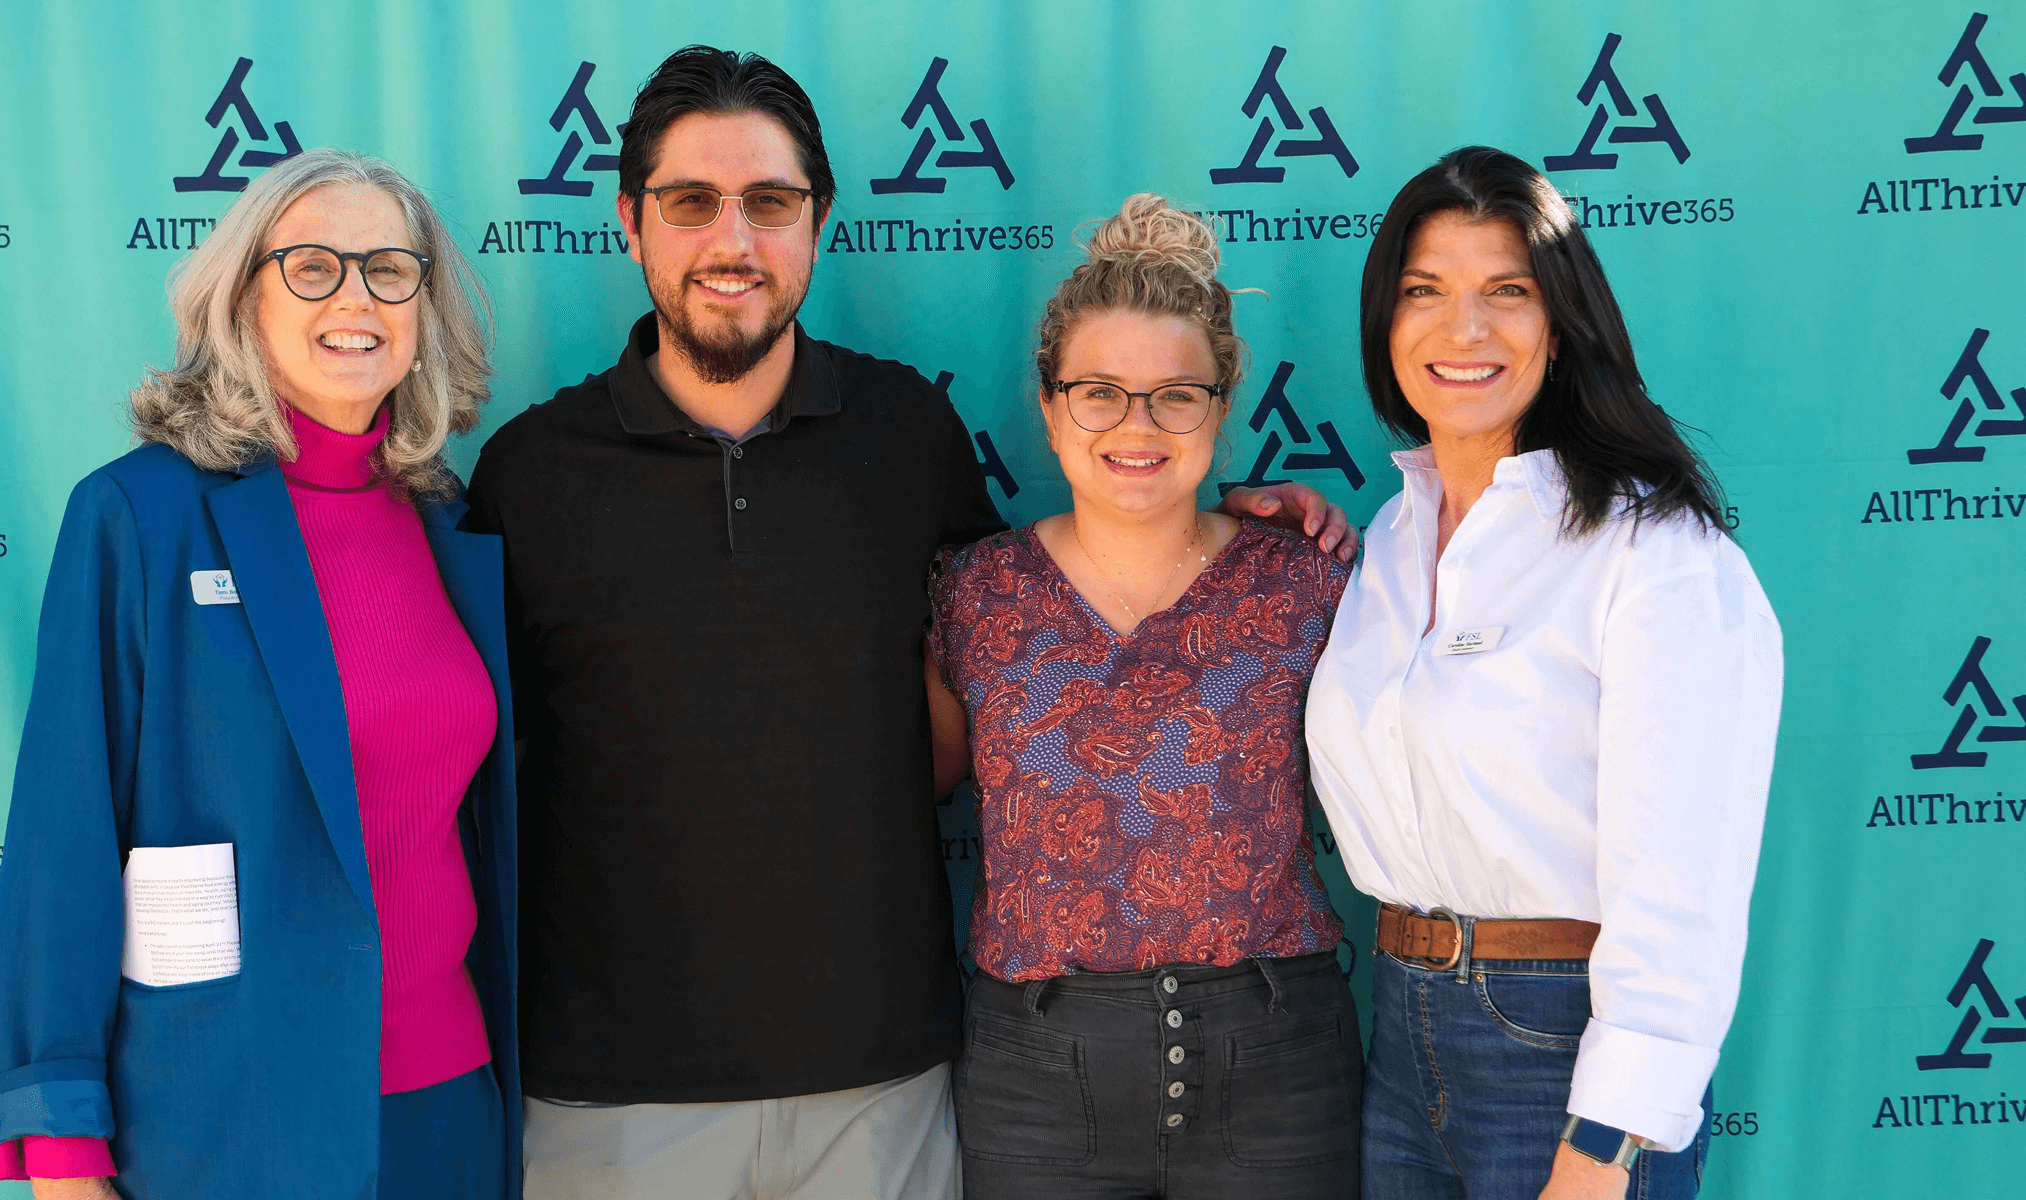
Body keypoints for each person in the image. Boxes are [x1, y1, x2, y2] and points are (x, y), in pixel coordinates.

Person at [463, 46, 1354, 1200]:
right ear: (631, 222)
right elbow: (486, 773)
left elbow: (1044, 628)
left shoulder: (903, 431)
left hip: (881, 1084)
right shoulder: (529, 472)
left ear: (817, 224)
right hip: (611, 1091)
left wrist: (1251, 514)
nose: (732, 241)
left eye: (770, 204)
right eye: (691, 203)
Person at [0, 149, 519, 1200]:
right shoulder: (141, 516)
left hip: (449, 1106)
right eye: (313, 266)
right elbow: (65, 841)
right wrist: (57, 1146)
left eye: (388, 269)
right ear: (245, 298)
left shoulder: (452, 527)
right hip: (225, 1120)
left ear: (424, 303)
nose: (356, 298)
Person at [1302, 146, 1783, 1200]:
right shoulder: (1386, 539)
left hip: (1560, 1051)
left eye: (1505, 294)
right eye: (1424, 291)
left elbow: (1683, 884)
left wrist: (1611, 1137)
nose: (1461, 330)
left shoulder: (1655, 554)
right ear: (1386, 323)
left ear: (1560, 329)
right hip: (1400, 1032)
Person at [925, 195, 1361, 1200]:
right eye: (1101, 392)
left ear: (1220, 406)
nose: (1138, 424)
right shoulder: (972, 594)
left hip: (1277, 1065)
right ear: (1047, 404)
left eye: (1176, 394)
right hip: (1035, 1076)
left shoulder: (1306, 582)